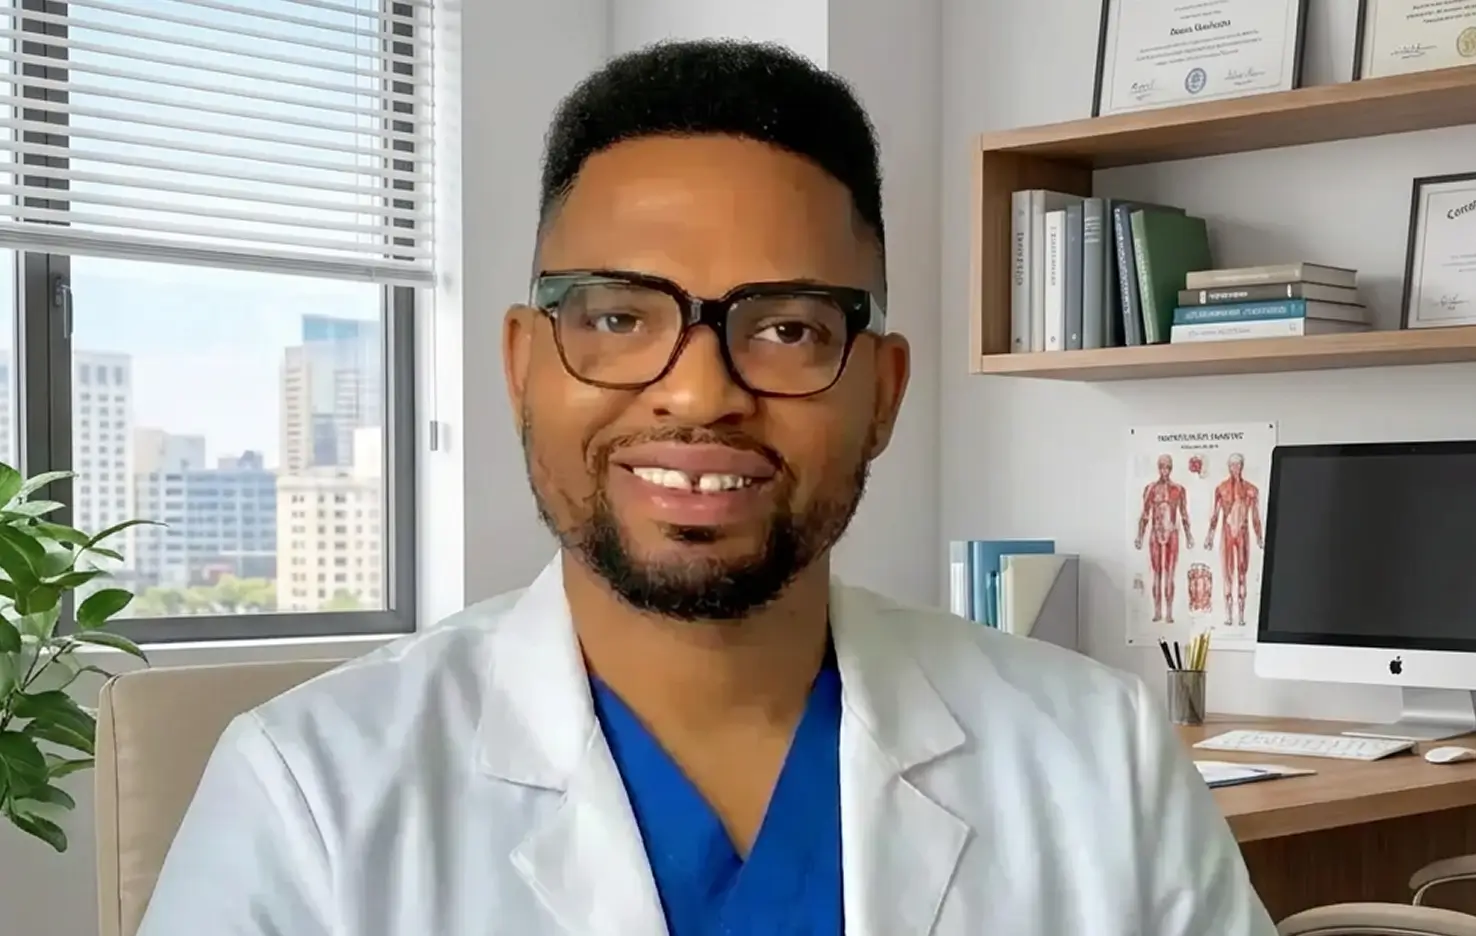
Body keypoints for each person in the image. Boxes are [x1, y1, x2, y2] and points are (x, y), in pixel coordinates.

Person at [135, 40, 1277, 936]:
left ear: (882, 392)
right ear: (523, 364)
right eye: (620, 316)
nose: (698, 393)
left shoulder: (1099, 758)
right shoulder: (311, 795)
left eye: (785, 326)